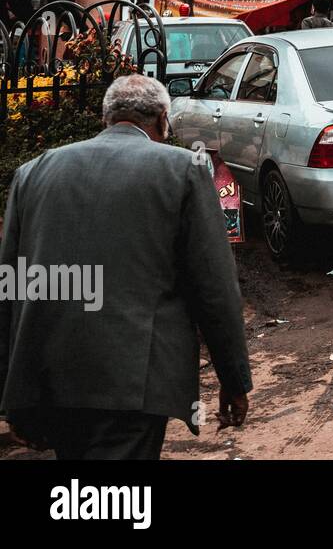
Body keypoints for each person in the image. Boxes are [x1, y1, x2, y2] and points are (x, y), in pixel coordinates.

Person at [0, 75, 252, 459]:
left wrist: (13, 394)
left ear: (106, 117)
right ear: (163, 119)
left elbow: (11, 288)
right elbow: (214, 286)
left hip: (51, 373)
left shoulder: (33, 172)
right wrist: (233, 378)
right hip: (133, 379)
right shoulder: (183, 169)